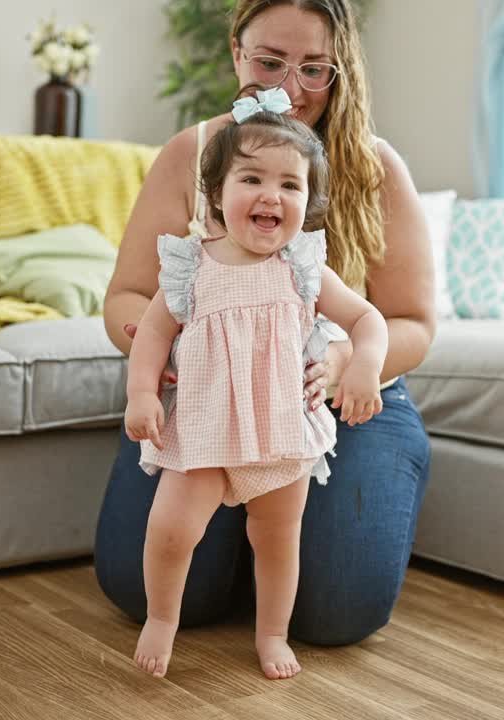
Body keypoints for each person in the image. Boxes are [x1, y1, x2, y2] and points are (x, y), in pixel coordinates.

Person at [97, 0, 436, 650]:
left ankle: (276, 552)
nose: (289, 87)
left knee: (337, 613)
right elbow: (129, 298)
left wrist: (343, 364)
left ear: (340, 72)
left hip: (338, 404)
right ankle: (244, 545)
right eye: (270, 62)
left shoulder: (375, 166)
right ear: (236, 52)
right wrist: (154, 353)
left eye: (314, 68)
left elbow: (412, 323)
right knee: (147, 592)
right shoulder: (192, 153)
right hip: (207, 398)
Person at [126, 92, 389, 679]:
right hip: (202, 426)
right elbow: (150, 333)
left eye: (291, 186)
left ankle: (272, 633)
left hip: (279, 429)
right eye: (252, 178)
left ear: (306, 203)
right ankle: (162, 617)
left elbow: (368, 320)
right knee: (171, 530)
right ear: (216, 194)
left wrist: (364, 365)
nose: (272, 195)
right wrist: (142, 392)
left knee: (276, 539)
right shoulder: (192, 266)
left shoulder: (303, 268)